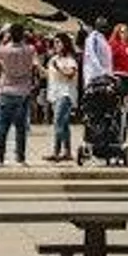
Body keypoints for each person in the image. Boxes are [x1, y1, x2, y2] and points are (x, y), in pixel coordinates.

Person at [0, 24, 37, 165]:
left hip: (6, 90)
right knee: (21, 127)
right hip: (23, 91)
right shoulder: (30, 50)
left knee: (2, 126)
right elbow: (34, 66)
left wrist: (4, 41)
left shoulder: (2, 51)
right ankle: (20, 158)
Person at [44, 33, 79, 162]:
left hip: (65, 94)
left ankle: (56, 152)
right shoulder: (53, 59)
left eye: (59, 42)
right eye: (55, 42)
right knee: (64, 125)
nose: (56, 45)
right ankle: (68, 152)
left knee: (57, 122)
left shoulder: (70, 60)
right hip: (54, 94)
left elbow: (70, 74)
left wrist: (58, 68)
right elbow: (48, 75)